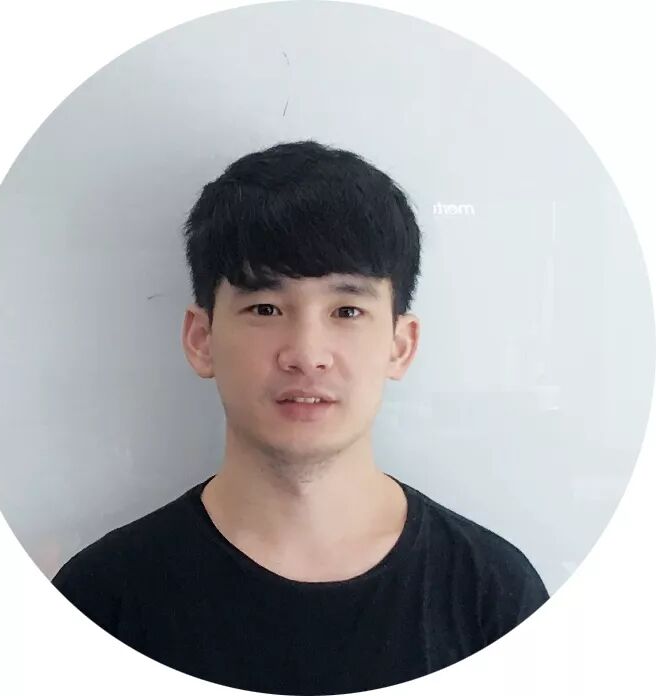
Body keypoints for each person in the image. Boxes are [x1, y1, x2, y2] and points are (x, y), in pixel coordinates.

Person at [52, 140, 549, 695]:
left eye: (347, 310)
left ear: (400, 345)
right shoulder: (101, 603)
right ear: (201, 339)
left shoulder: (494, 598)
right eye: (265, 308)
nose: (307, 354)